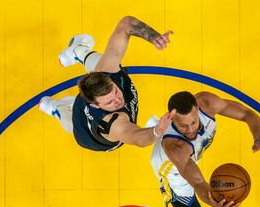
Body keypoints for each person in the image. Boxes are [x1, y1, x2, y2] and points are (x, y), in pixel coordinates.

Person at [137, 91, 260, 207]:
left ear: (197, 107)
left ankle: (155, 128)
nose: (190, 129)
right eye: (183, 126)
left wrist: (258, 137)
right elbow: (198, 183)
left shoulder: (207, 103)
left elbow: (247, 113)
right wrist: (214, 201)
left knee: (191, 152)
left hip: (189, 157)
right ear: (171, 118)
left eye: (194, 122)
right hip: (172, 170)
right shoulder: (175, 147)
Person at [38, 16, 175, 151]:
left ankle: (78, 51)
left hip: (95, 90)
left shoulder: (107, 74)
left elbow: (126, 24)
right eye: (110, 102)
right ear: (95, 106)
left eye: (115, 91)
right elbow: (137, 138)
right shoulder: (113, 123)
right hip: (87, 134)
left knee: (104, 64)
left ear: (110, 80)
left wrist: (153, 36)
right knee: (72, 123)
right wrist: (156, 131)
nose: (118, 100)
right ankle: (57, 108)